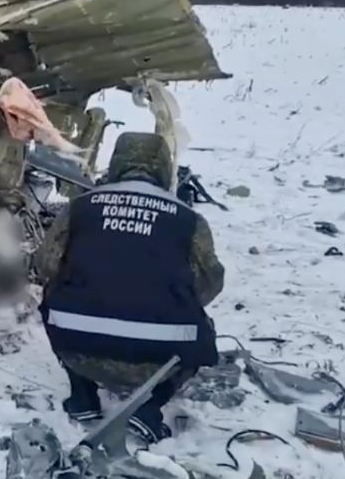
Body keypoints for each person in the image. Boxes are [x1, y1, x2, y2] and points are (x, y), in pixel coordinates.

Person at [34, 132, 225, 443]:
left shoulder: (80, 207)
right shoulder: (188, 220)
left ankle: (83, 395)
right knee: (202, 327)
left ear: (117, 163)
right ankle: (149, 408)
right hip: (157, 357)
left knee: (54, 300)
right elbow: (210, 283)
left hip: (78, 347)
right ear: (165, 168)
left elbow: (45, 265)